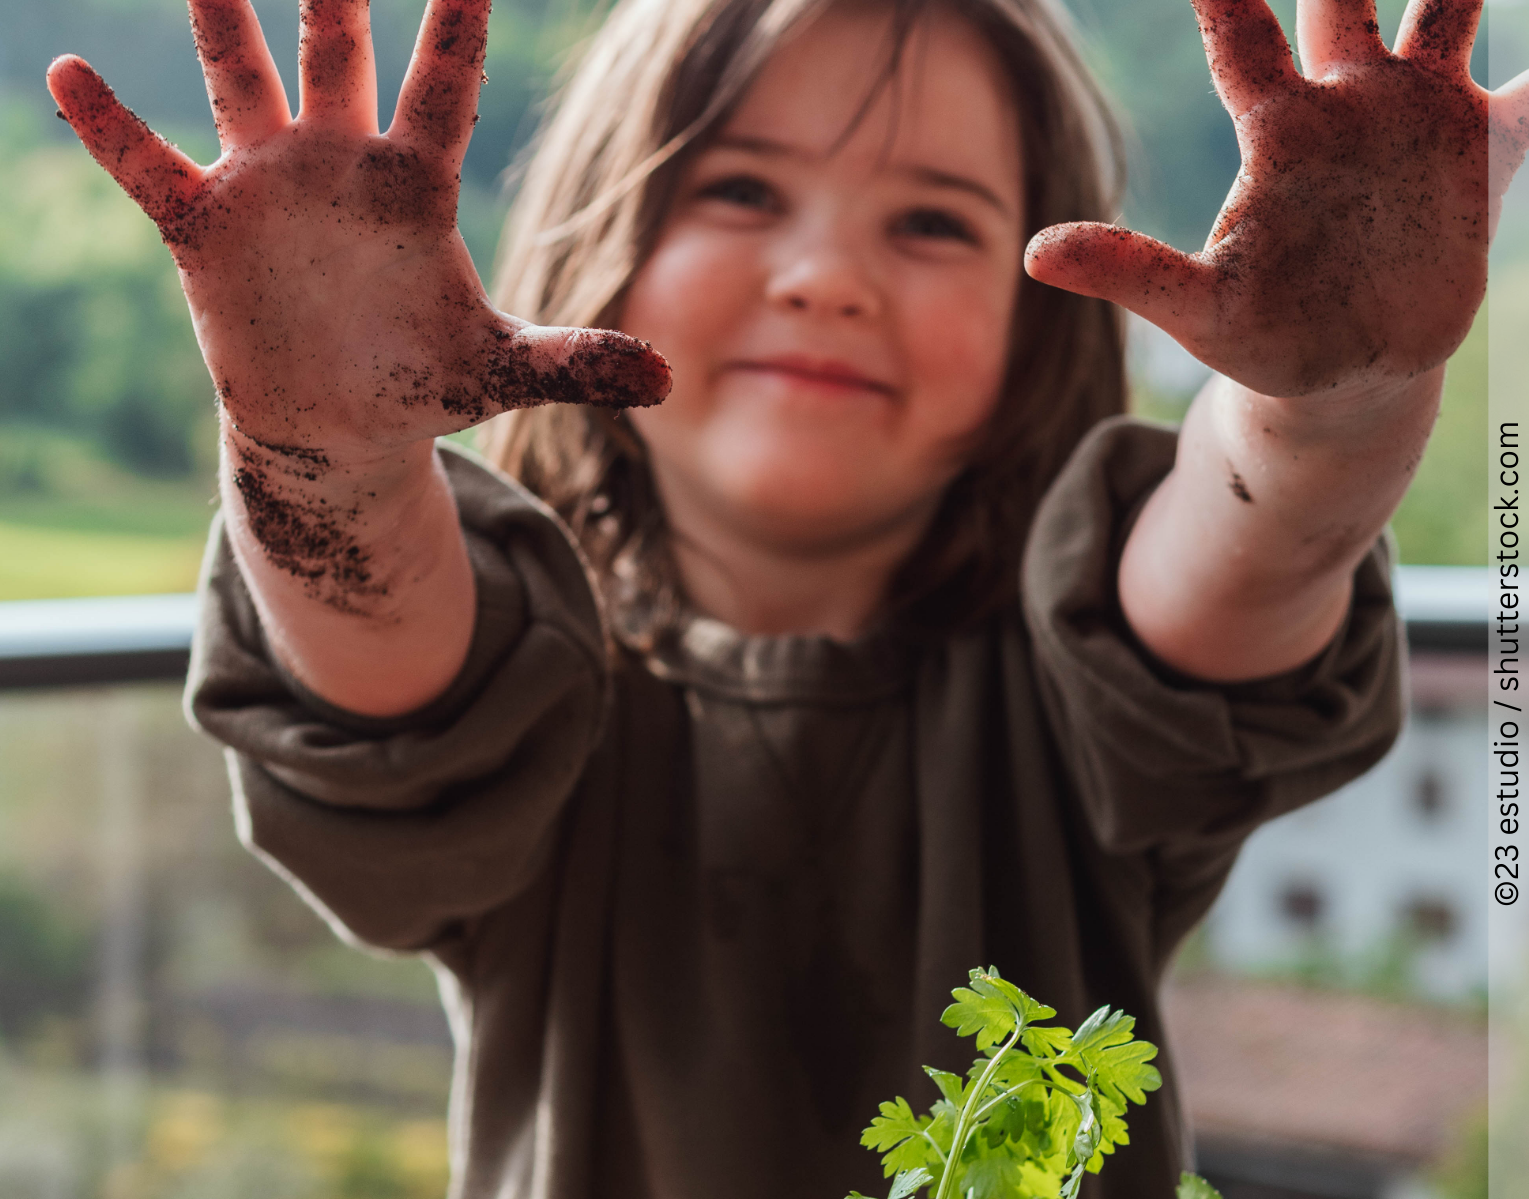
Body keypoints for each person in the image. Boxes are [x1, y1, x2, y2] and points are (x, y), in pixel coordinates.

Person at [46, 0, 1528, 1194]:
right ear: (597, 239)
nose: (826, 274)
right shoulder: (521, 680)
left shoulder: (1094, 668)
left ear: (1045, 321)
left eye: (935, 223)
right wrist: (319, 458)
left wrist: (1338, 403)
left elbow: (1256, 544)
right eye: (743, 189)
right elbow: (384, 642)